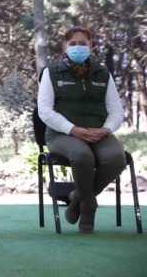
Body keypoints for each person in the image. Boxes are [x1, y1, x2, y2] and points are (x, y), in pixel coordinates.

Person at [37, 26, 126, 233]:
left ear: (91, 46)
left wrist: (106, 130)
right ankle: (88, 209)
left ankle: (77, 197)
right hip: (61, 134)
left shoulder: (103, 73)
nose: (78, 47)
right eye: (73, 43)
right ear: (65, 46)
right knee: (81, 155)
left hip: (99, 133)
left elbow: (116, 111)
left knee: (116, 158)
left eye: (83, 43)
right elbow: (45, 111)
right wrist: (73, 129)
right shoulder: (51, 72)